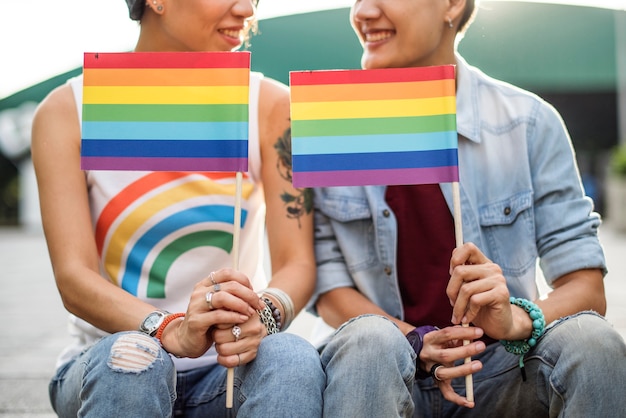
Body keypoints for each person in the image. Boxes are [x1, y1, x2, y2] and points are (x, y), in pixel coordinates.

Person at [309, 0, 626, 417]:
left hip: (502, 370)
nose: (363, 12)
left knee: (593, 341)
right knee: (368, 340)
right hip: (386, 371)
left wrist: (514, 321)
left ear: (452, 5)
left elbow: (586, 287)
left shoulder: (529, 122)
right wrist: (417, 341)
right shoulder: (332, 123)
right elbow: (328, 287)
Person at [31, 1, 325, 416]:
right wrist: (168, 329)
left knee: (292, 357)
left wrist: (265, 315)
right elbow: (73, 277)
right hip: (110, 363)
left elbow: (298, 263)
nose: (246, 9)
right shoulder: (68, 110)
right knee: (132, 357)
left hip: (227, 371)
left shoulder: (270, 104)